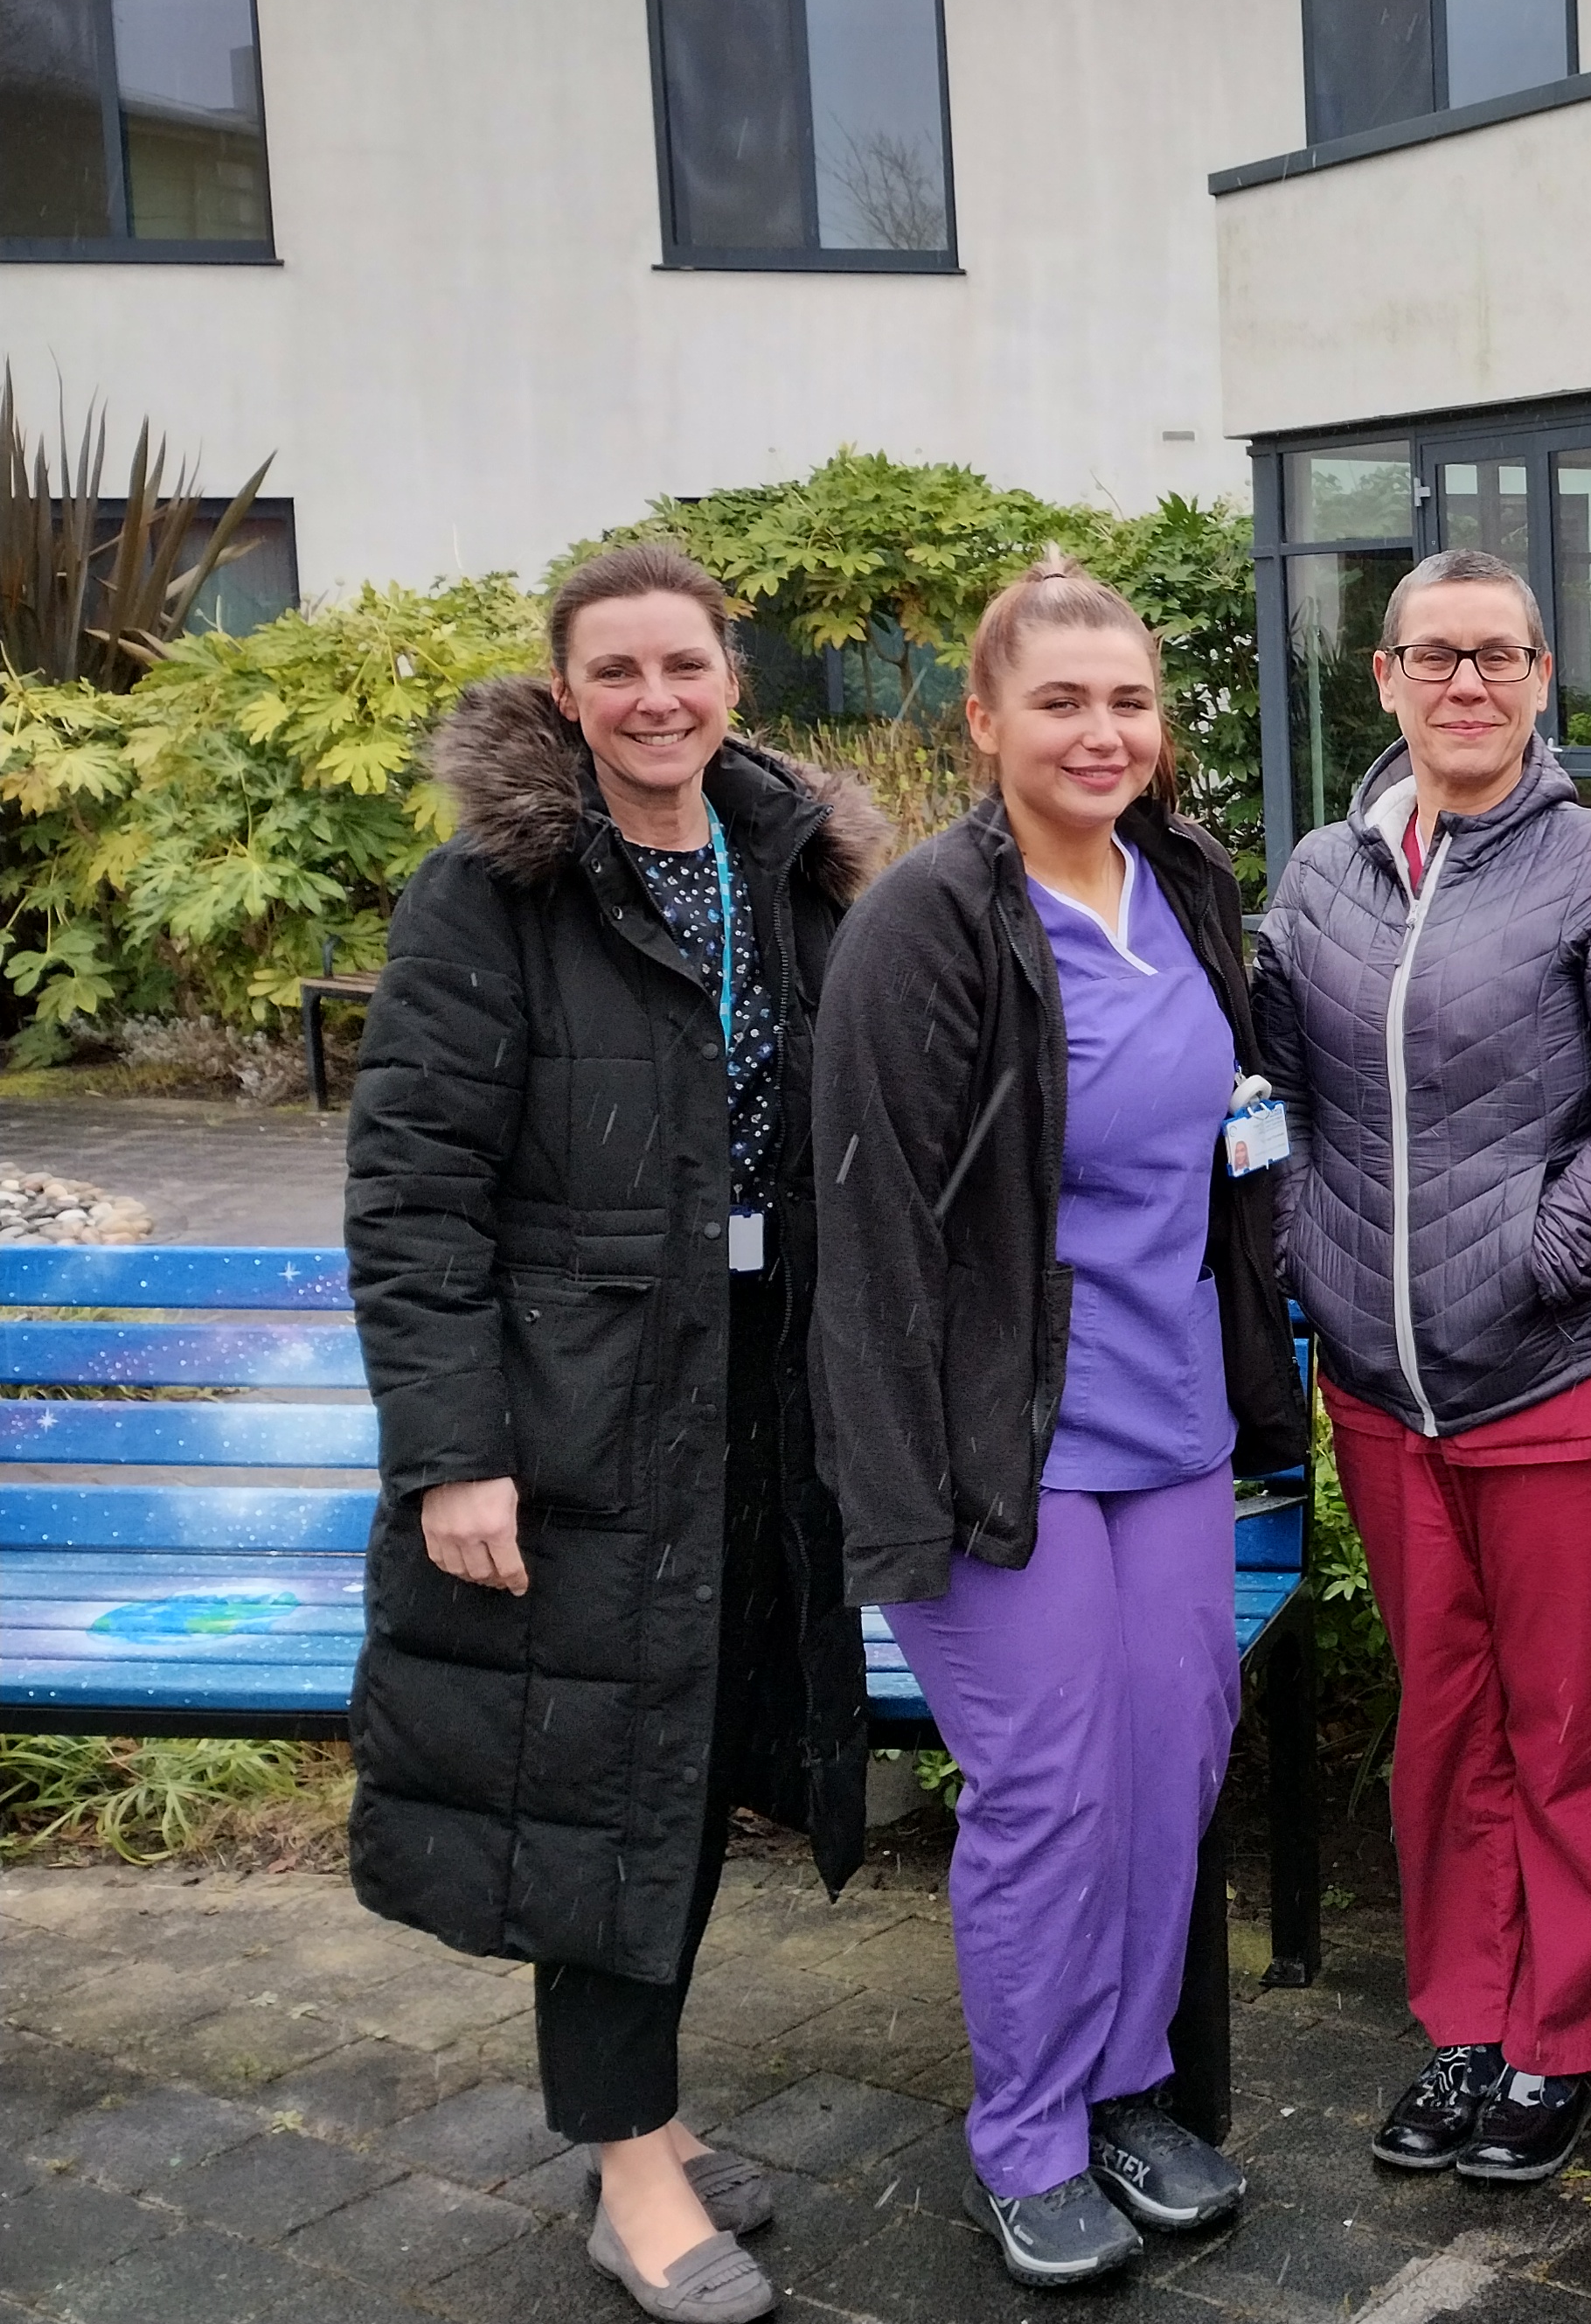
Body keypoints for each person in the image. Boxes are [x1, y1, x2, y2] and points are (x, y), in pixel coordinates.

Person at [345, 544, 888, 2324]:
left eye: (690, 664)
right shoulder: (490, 895)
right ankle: (633, 2175)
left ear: (734, 676)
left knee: (693, 1747)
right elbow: (414, 1194)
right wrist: (452, 1451)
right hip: (579, 1418)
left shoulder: (789, 869)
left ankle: (639, 2116)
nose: (660, 699)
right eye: (619, 672)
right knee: (600, 1784)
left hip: (760, 1396)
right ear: (564, 695)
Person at [809, 555, 1306, 2292]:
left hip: (1170, 1429)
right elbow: (866, 1236)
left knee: (1170, 1766)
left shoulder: (1183, 884)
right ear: (984, 720)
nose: (1104, 733)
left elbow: (1232, 1145)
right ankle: (1026, 2134)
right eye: (1062, 701)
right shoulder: (926, 928)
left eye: (1130, 702)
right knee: (1050, 1789)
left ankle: (1127, 2089)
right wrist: (893, 1500)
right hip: (992, 1447)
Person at [1254, 546, 1591, 2186]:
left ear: (1541, 679)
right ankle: (1465, 2021)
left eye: (1500, 657)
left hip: (1567, 1380)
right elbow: (1287, 1098)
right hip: (1383, 1394)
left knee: (1573, 1718)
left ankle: (1564, 2040)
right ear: (1380, 677)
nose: (1467, 683)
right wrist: (1317, 1247)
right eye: (1434, 656)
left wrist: (1540, 1248)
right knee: (1444, 1723)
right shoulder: (1319, 873)